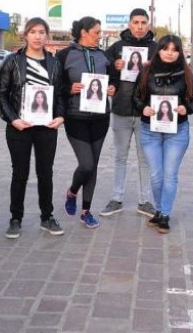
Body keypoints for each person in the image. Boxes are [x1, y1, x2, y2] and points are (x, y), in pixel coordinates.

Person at [0, 17, 65, 239]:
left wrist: (60, 116)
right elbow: (1, 94)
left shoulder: (55, 63)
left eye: (42, 32)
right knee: (20, 173)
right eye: (33, 32)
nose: (37, 36)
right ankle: (15, 219)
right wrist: (13, 119)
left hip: (46, 127)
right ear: (25, 35)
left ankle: (47, 217)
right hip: (19, 127)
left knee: (46, 173)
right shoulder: (12, 61)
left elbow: (61, 94)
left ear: (47, 35)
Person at [132, 34, 193, 233]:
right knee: (156, 175)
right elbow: (136, 97)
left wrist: (185, 109)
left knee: (169, 175)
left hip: (176, 132)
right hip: (150, 130)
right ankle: (160, 210)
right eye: (165, 48)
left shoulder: (186, 72)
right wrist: (143, 108)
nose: (170, 53)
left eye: (174, 49)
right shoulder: (146, 71)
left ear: (179, 52)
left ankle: (164, 214)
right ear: (158, 50)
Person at [56, 16, 116, 229]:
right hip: (76, 118)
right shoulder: (64, 55)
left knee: (94, 166)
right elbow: (55, 86)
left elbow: (113, 79)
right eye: (97, 32)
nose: (100, 36)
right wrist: (68, 89)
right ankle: (72, 192)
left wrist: (112, 89)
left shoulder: (103, 56)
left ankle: (86, 211)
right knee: (87, 164)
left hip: (101, 118)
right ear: (83, 32)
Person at [100, 8, 157, 218]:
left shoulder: (156, 48)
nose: (140, 26)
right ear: (129, 24)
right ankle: (117, 198)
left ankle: (145, 201)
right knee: (120, 156)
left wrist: (153, 69)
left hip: (146, 112)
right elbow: (102, 75)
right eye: (136, 22)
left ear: (148, 24)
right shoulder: (116, 47)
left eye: (143, 22)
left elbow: (165, 76)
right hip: (121, 109)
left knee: (145, 159)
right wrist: (114, 68)